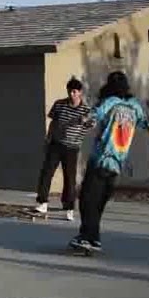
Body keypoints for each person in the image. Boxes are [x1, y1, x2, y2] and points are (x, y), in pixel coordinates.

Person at [70, 71, 149, 252]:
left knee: (87, 200)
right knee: (98, 202)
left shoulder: (109, 103)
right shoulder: (135, 107)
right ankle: (94, 238)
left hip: (100, 160)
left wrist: (79, 119)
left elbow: (90, 118)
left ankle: (87, 237)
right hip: (116, 165)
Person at [30, 77, 93, 220]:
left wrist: (85, 121)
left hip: (72, 147)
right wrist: (48, 138)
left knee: (69, 178)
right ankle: (42, 202)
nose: (72, 94)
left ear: (80, 93)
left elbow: (91, 124)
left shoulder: (86, 110)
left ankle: (69, 207)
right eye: (70, 91)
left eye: (74, 92)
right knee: (46, 172)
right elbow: (53, 123)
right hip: (56, 144)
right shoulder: (59, 104)